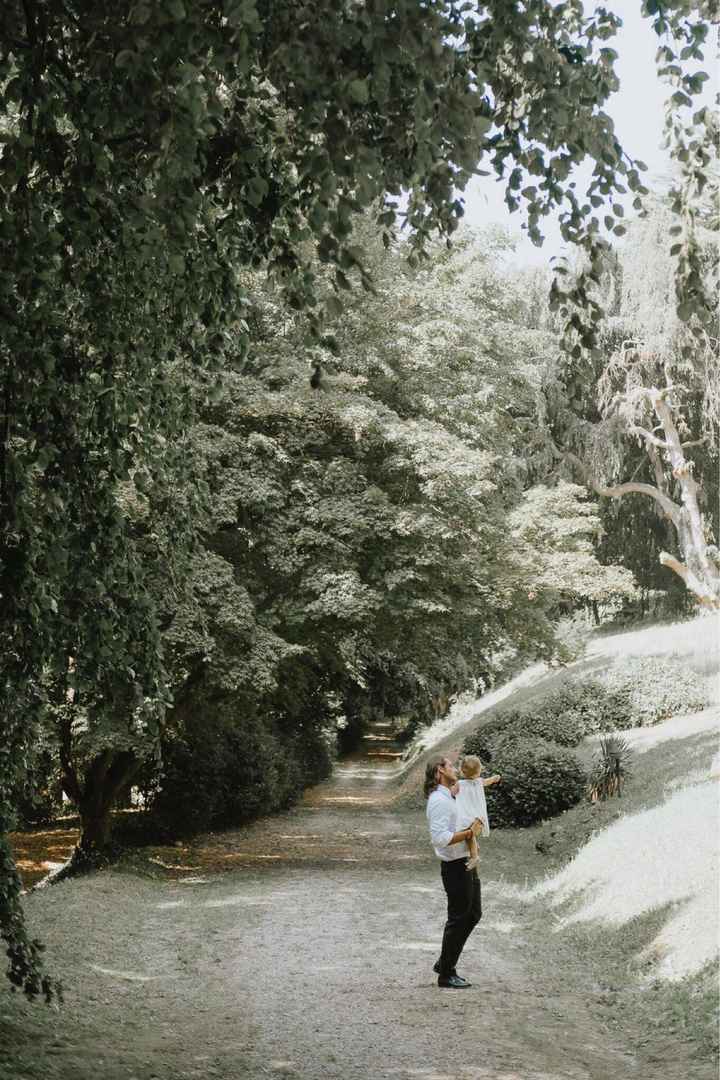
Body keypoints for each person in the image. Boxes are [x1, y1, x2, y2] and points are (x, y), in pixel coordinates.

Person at [424, 755, 486, 989]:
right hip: (454, 866)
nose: (455, 768)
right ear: (440, 771)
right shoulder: (439, 801)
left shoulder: (450, 794)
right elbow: (440, 839)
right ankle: (446, 974)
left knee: (473, 914)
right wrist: (470, 833)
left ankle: (444, 962)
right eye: (450, 765)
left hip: (466, 862)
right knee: (458, 917)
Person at [453, 755, 501, 871]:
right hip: (477, 815)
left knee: (467, 834)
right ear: (479, 770)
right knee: (469, 835)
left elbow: (451, 793)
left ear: (462, 771)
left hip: (466, 815)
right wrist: (495, 778)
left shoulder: (460, 784)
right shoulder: (479, 782)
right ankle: (474, 850)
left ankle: (474, 857)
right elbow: (488, 781)